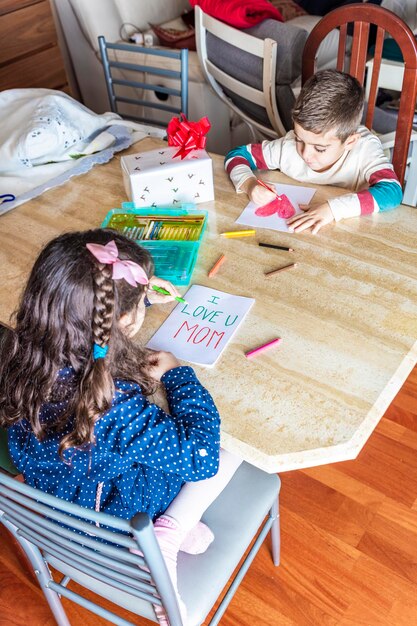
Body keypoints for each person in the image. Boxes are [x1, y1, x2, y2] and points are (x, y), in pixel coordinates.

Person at [0, 229, 241, 625]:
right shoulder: (109, 409)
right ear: (124, 322)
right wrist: (179, 377)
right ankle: (168, 533)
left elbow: (86, 286)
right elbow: (201, 458)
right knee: (230, 453)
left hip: (55, 493)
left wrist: (139, 299)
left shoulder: (22, 353)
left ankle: (169, 531)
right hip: (111, 518)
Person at [225, 69, 403, 234]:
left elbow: (392, 191)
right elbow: (237, 155)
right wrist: (249, 184)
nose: (305, 154)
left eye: (319, 148)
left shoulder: (364, 148)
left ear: (350, 142)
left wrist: (332, 209)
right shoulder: (286, 148)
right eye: (299, 139)